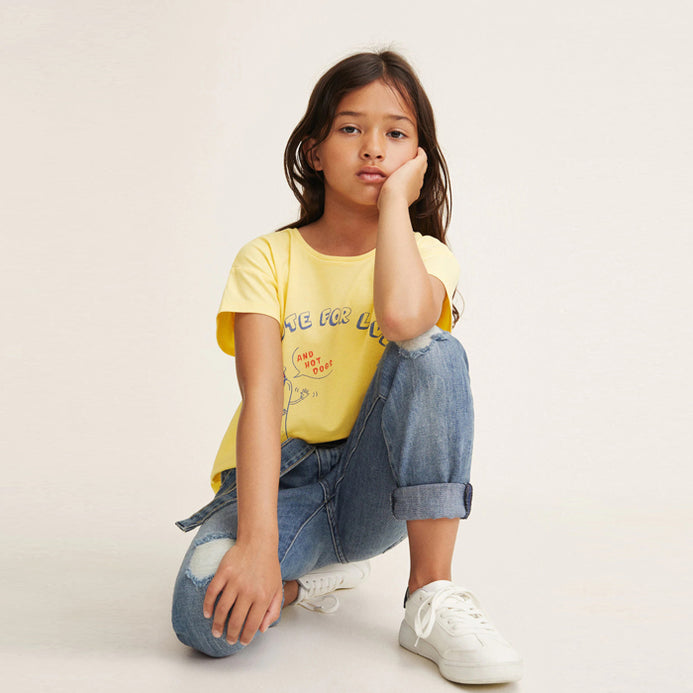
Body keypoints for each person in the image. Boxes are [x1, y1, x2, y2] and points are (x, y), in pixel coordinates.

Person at [171, 50, 522, 685]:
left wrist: (394, 208)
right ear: (314, 150)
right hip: (281, 485)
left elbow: (405, 320)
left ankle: (430, 595)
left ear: (418, 159)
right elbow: (262, 396)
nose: (373, 149)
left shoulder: (427, 257)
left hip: (373, 486)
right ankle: (305, 582)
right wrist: (257, 545)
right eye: (350, 128)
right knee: (204, 618)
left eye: (396, 134)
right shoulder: (266, 259)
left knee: (434, 351)